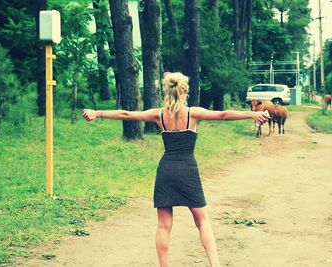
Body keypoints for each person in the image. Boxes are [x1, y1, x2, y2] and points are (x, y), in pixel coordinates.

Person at [82, 72, 269, 267]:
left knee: (163, 226)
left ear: (167, 90)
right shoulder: (192, 113)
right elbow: (222, 115)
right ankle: (215, 265)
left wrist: (98, 113)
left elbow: (127, 114)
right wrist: (252, 114)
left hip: (166, 170)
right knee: (203, 222)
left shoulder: (159, 114)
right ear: (186, 91)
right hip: (188, 170)